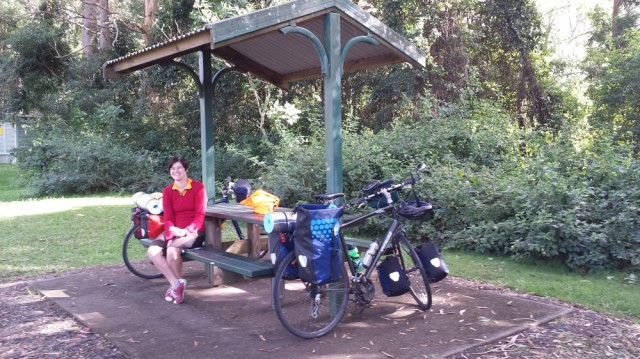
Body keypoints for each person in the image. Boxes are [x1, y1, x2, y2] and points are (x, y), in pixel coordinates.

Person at [147, 156, 207, 304]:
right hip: (174, 229)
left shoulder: (198, 188)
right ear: (170, 172)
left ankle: (175, 288)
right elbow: (168, 217)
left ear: (186, 169)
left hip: (195, 230)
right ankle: (176, 284)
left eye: (179, 167)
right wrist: (172, 230)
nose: (176, 171)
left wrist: (186, 231)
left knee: (172, 250)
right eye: (172, 168)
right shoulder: (167, 191)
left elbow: (200, 215)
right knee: (152, 251)